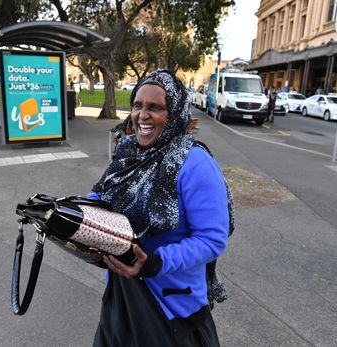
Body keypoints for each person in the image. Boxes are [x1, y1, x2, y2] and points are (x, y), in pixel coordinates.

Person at [89, 70, 233, 346]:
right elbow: (101, 195)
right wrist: (69, 215)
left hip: (172, 309)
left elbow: (212, 239)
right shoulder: (129, 152)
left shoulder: (195, 164)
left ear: (175, 113)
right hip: (121, 298)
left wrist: (156, 262)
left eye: (155, 107)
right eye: (137, 105)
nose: (142, 115)